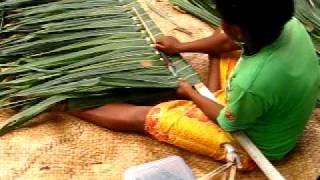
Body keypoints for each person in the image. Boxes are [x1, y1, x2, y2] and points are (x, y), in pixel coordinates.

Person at [69, 0, 319, 169]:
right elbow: (226, 40)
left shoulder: (251, 83)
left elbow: (228, 121)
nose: (221, 22)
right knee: (220, 43)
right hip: (264, 96)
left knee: (151, 117)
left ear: (240, 30)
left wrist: (189, 92)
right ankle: (212, 91)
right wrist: (180, 47)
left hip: (257, 142)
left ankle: (66, 103)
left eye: (224, 20)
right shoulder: (289, 26)